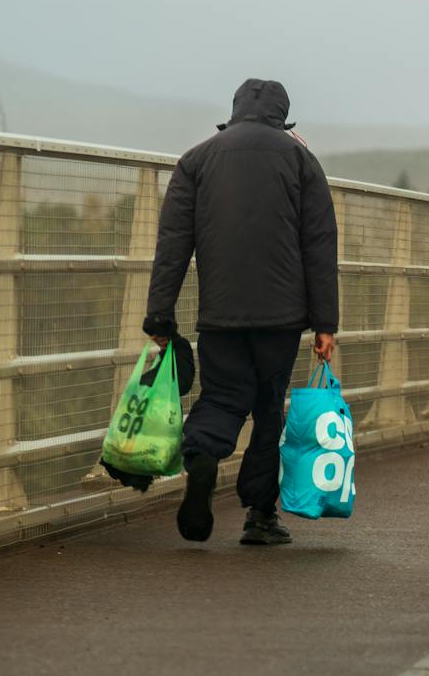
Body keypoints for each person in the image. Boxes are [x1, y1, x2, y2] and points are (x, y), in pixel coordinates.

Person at [142, 78, 339, 546]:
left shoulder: (197, 159)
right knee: (268, 410)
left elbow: (172, 246)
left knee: (222, 398)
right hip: (281, 318)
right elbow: (319, 245)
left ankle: (204, 456)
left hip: (220, 315)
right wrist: (325, 323)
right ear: (282, 115)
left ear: (233, 112)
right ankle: (259, 517)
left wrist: (160, 318)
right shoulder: (300, 160)